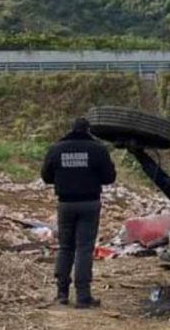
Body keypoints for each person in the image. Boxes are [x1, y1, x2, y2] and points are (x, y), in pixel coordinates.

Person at [41, 117, 116, 308]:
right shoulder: (98, 149)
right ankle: (83, 296)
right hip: (90, 203)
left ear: (71, 129)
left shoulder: (56, 149)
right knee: (84, 248)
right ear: (88, 130)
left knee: (66, 247)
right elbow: (109, 177)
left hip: (65, 204)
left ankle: (62, 294)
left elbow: (46, 176)